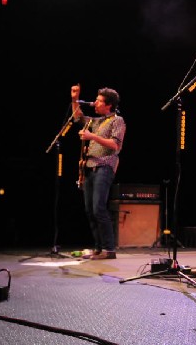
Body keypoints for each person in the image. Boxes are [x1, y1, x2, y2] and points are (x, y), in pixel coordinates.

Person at [71, 85, 126, 260]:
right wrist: (74, 99)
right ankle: (98, 248)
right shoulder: (94, 121)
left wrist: (92, 137)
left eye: (99, 101)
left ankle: (109, 249)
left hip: (104, 167)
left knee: (99, 208)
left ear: (109, 105)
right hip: (89, 168)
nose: (95, 103)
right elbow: (77, 117)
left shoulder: (117, 121)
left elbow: (115, 145)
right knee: (89, 210)